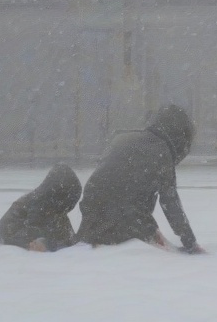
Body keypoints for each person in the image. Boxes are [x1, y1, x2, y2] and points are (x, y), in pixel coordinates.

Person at [76, 104, 205, 254]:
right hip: (125, 216)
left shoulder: (122, 138)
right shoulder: (162, 152)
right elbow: (170, 203)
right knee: (158, 248)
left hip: (92, 210)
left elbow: (105, 176)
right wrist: (190, 242)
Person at [0, 162, 82, 252]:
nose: (69, 206)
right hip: (9, 232)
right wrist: (44, 242)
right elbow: (36, 230)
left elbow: (66, 235)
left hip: (13, 229)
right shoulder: (39, 205)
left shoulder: (53, 207)